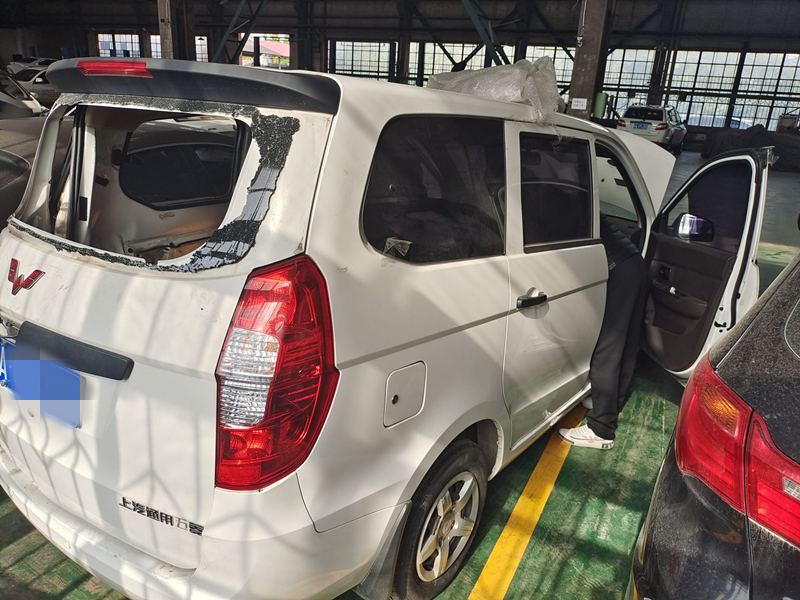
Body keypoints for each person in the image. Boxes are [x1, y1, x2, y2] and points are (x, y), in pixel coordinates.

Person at [559, 213, 648, 449]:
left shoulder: (548, 201)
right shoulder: (570, 195)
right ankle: (610, 406)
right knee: (626, 346)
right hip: (633, 264)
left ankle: (600, 429)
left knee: (607, 351)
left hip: (618, 269)